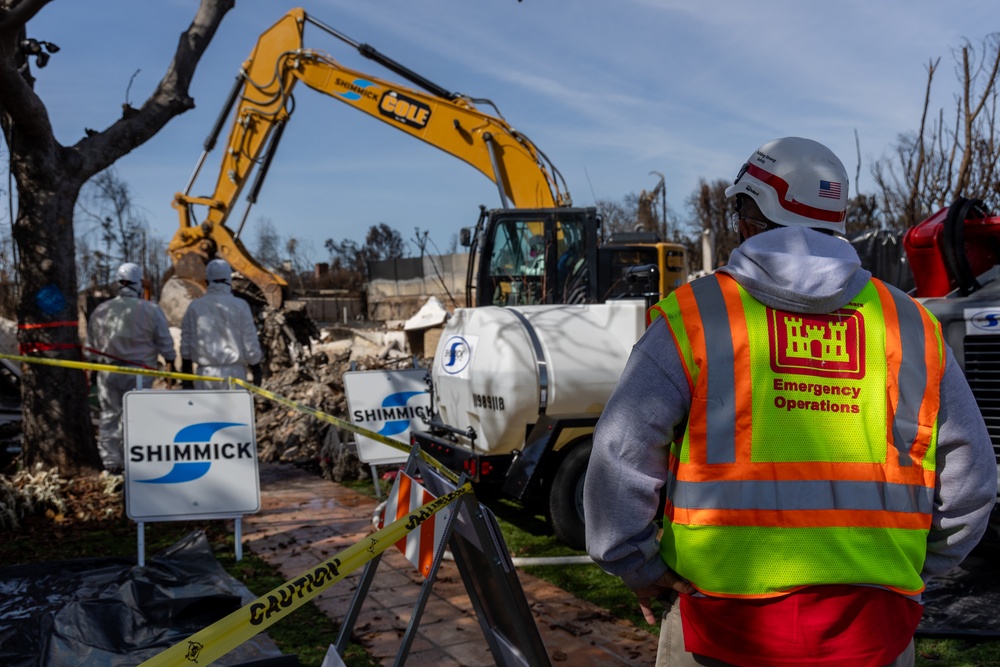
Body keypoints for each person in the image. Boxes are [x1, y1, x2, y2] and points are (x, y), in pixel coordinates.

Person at [584, 136, 997, 667]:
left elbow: (619, 454)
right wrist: (921, 564)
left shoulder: (697, 317)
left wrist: (637, 566)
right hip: (873, 630)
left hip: (720, 627)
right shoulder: (910, 324)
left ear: (750, 219)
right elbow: (973, 479)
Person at [87, 262, 177, 472]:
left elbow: (90, 347)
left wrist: (93, 368)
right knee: (136, 417)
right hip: (140, 373)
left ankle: (110, 461)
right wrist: (171, 360)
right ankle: (134, 461)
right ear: (139, 283)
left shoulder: (101, 310)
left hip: (108, 372)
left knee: (110, 414)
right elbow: (165, 341)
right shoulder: (150, 310)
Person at [180, 258, 263, 389]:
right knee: (235, 410)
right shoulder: (240, 306)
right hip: (235, 375)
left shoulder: (195, 307)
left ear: (207, 281)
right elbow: (249, 341)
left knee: (206, 410)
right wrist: (256, 367)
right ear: (229, 280)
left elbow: (186, 344)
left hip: (205, 375)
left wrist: (186, 372)